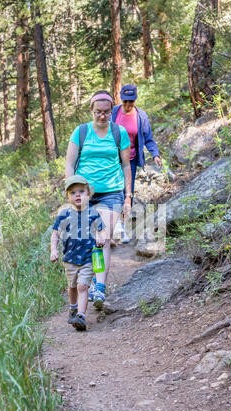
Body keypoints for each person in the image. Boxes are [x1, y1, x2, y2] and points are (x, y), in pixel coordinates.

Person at [65, 90, 132, 309]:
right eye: (97, 112)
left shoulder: (119, 132)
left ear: (112, 111)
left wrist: (128, 197)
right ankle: (90, 280)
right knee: (86, 240)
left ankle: (99, 287)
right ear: (91, 111)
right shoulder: (81, 132)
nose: (102, 116)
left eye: (106, 112)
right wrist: (71, 190)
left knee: (102, 236)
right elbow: (69, 163)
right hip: (84, 194)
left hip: (112, 191)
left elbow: (125, 165)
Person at [50, 175, 106, 331]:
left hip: (88, 257)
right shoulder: (64, 215)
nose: (77, 195)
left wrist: (101, 238)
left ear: (88, 193)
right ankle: (73, 308)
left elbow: (102, 231)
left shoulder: (93, 213)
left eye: (81, 191)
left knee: (82, 286)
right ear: (68, 197)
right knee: (72, 286)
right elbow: (55, 234)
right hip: (69, 258)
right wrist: (54, 250)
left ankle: (81, 316)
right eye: (73, 192)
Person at [111, 84, 166, 243]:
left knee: (128, 192)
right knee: (114, 190)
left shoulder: (141, 116)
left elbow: (148, 138)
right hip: (113, 159)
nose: (128, 105)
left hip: (131, 159)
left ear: (135, 100)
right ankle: (114, 226)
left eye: (131, 101)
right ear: (121, 99)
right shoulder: (114, 113)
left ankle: (123, 227)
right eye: (125, 101)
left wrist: (155, 154)